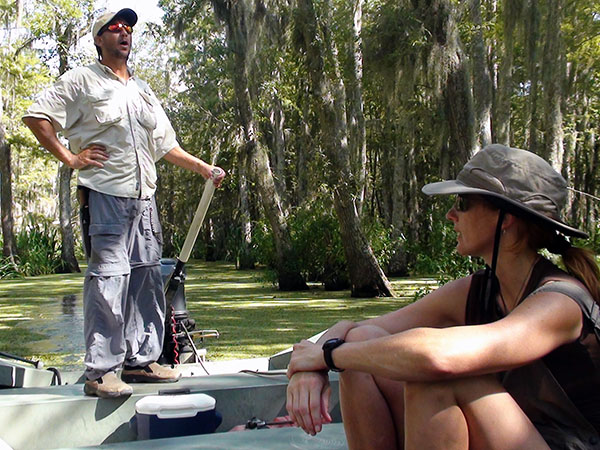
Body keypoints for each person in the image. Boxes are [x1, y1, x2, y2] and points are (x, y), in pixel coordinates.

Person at [286, 144, 600, 449]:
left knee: (439, 378)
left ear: (505, 218)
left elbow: (437, 358)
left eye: (463, 203)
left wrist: (329, 356)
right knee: (363, 343)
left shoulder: (560, 301)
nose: (451, 215)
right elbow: (359, 331)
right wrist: (312, 365)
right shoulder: (476, 291)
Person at [23, 8, 225, 399]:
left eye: (128, 28)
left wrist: (203, 168)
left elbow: (165, 145)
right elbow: (37, 117)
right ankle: (101, 371)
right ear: (99, 39)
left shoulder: (143, 90)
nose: (124, 33)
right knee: (108, 282)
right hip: (106, 198)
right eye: (114, 28)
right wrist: (71, 158)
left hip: (144, 201)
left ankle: (140, 361)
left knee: (146, 280)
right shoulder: (81, 80)